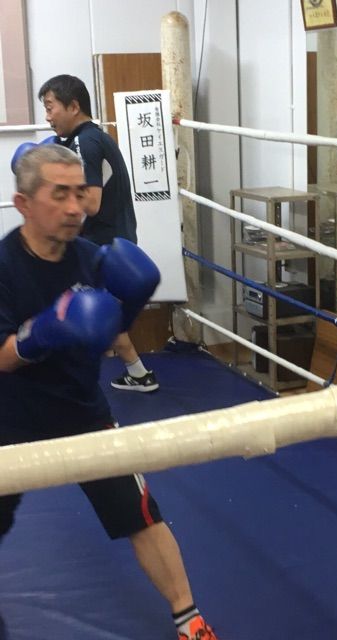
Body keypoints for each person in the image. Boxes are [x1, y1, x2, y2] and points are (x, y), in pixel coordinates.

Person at [2, 143, 217, 640]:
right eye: (60, 194)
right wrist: (45, 330)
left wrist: (127, 307)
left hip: (81, 409)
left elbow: (106, 330)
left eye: (80, 192)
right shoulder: (3, 267)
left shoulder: (91, 258)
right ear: (24, 204)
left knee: (140, 513)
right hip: (9, 415)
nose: (75, 207)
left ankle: (189, 619)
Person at [37, 73, 158, 393]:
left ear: (73, 106)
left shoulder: (84, 142)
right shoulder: (92, 138)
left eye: (50, 107)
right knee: (98, 310)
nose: (47, 117)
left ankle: (75, 373)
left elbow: (90, 203)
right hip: (113, 239)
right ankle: (137, 373)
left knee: (72, 303)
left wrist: (52, 201)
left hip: (101, 243)